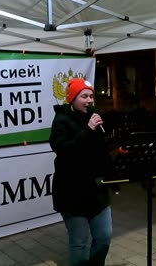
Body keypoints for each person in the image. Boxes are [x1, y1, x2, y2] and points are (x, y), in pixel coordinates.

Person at [49, 78, 116, 266]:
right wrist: (88, 130)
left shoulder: (93, 118)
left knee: (104, 237)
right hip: (72, 193)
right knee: (79, 243)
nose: (89, 101)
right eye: (84, 96)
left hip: (96, 192)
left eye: (91, 97)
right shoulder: (61, 122)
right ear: (72, 99)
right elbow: (66, 151)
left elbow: (101, 154)